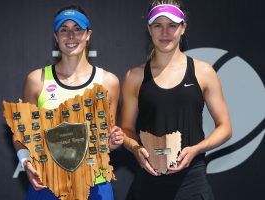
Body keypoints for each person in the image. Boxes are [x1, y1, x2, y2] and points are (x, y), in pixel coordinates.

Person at [122, 0, 232, 199]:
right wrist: (135, 148)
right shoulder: (135, 76)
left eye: (172, 25)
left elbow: (225, 127)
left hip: (192, 182)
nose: (165, 32)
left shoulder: (203, 71)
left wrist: (197, 149)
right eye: (158, 25)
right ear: (149, 28)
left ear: (183, 28)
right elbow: (126, 129)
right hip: (148, 183)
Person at [13, 5, 124, 200]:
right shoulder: (36, 80)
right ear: (56, 37)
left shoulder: (109, 82)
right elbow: (22, 133)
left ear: (88, 34)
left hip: (95, 184)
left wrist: (113, 142)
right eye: (64, 29)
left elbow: (107, 138)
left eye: (77, 29)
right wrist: (26, 162)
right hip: (48, 183)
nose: (71, 35)